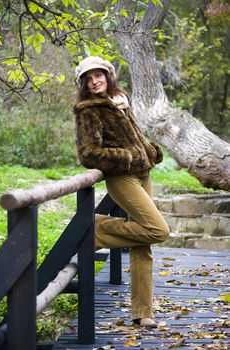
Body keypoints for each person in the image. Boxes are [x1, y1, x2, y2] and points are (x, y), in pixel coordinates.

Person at [73, 56, 170, 328]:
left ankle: (143, 312)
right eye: (89, 78)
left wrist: (149, 151)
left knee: (143, 243)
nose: (95, 81)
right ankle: (95, 228)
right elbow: (88, 153)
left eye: (99, 75)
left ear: (108, 75)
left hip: (143, 174)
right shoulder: (87, 110)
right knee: (157, 230)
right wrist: (126, 157)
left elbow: (135, 136)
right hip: (122, 177)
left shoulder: (120, 100)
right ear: (83, 83)